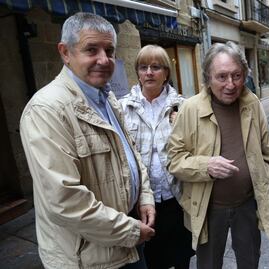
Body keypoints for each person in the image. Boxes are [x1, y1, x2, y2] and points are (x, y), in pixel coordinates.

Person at [19, 12, 156, 269]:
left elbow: (131, 154)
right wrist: (131, 231)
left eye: (109, 50)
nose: (104, 60)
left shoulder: (106, 98)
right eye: (91, 49)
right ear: (65, 52)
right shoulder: (47, 110)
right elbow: (65, 200)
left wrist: (145, 197)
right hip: (89, 258)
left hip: (127, 240)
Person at [167, 41, 269, 269]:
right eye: (222, 76)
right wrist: (206, 166)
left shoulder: (252, 103)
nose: (231, 84)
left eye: (237, 75)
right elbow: (174, 160)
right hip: (207, 208)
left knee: (250, 262)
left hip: (247, 204)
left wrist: (262, 183)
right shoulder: (190, 108)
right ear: (207, 78)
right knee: (208, 265)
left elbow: (267, 153)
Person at [120, 45, 194, 269]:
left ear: (166, 74)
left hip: (177, 198)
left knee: (181, 256)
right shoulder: (122, 108)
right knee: (151, 259)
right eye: (143, 67)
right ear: (138, 73)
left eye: (155, 67)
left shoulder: (183, 107)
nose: (149, 72)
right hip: (141, 202)